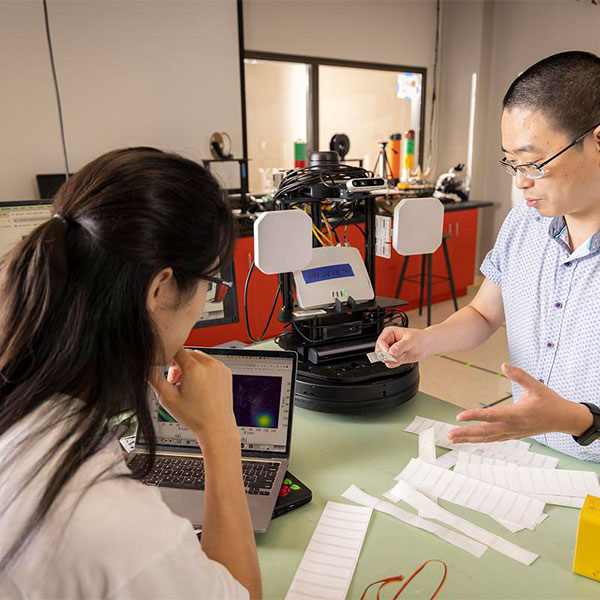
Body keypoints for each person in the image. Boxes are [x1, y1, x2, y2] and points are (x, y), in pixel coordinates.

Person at [0, 148, 261, 598]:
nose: (204, 302)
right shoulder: (118, 528)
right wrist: (219, 435)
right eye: (209, 283)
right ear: (159, 288)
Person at [377, 50, 600, 461]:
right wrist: (423, 341)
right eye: (511, 163)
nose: (521, 183)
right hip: (532, 457)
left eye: (534, 164)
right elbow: (483, 315)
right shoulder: (524, 223)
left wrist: (576, 420)